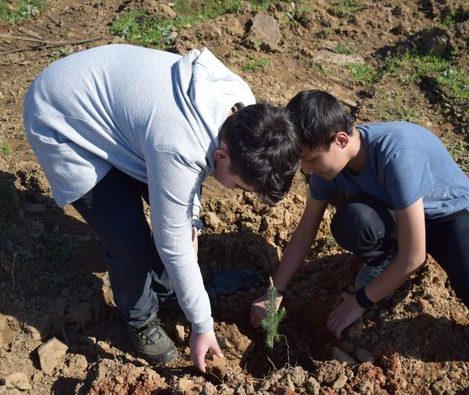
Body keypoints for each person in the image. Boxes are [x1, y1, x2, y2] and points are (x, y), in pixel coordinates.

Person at [23, 44, 299, 372]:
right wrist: (202, 325)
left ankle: (169, 294)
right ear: (223, 156)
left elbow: (185, 186)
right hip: (62, 118)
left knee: (179, 221)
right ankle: (139, 320)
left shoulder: (244, 107)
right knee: (130, 242)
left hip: (116, 110)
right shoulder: (179, 146)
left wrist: (191, 218)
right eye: (239, 186)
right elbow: (174, 244)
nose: (236, 193)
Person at [250, 90, 469, 388]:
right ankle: (383, 260)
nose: (306, 169)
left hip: (446, 213)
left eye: (309, 160)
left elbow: (414, 257)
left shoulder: (396, 155)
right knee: (353, 221)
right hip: (397, 212)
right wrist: (275, 291)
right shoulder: (327, 166)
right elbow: (306, 230)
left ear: (341, 140)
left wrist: (360, 301)